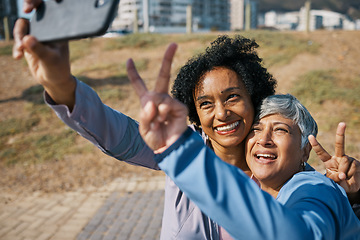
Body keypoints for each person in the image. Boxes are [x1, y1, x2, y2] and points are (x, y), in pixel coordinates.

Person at [13, 1, 360, 238]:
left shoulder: (293, 177)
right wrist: (59, 82)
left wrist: (349, 196)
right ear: (195, 115)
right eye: (206, 104)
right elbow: (114, 132)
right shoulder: (186, 150)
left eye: (233, 97)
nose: (221, 113)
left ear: (255, 100)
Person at [135, 90, 360, 239]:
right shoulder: (253, 183)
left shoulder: (315, 187)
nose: (263, 139)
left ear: (305, 150)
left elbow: (307, 231)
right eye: (256, 129)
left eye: (280, 129)